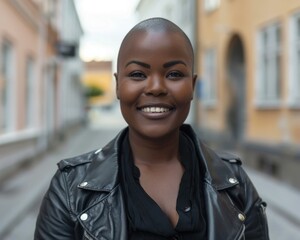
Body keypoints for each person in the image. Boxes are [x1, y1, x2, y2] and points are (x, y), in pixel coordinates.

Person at [34, 17, 269, 240]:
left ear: (193, 86)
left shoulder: (235, 184)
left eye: (174, 74)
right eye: (138, 74)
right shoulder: (70, 188)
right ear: (117, 85)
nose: (156, 87)